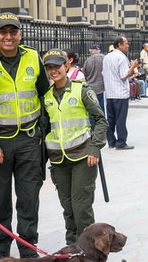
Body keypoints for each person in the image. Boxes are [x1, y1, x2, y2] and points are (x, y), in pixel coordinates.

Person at [0, 12, 49, 262]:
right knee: (1, 200)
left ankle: (28, 247)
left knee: (29, 197)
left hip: (30, 141)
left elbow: (44, 96)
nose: (8, 37)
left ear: (20, 34)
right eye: (2, 32)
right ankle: (1, 246)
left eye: (13, 31)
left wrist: (42, 132)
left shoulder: (33, 57)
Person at [43, 49, 108, 244]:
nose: (54, 71)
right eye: (49, 68)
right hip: (58, 160)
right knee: (68, 208)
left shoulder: (82, 90)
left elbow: (101, 120)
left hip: (83, 157)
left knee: (82, 209)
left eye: (57, 66)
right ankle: (72, 247)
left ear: (66, 66)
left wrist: (95, 149)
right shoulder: (46, 96)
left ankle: (90, 251)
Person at [102, 36, 138, 150]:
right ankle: (121, 142)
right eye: (126, 43)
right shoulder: (121, 58)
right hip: (120, 93)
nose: (127, 45)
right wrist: (132, 68)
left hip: (110, 92)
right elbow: (123, 76)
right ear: (119, 45)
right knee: (120, 119)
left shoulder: (107, 57)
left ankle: (111, 141)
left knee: (111, 119)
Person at [82, 44, 105, 113]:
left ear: (91, 52)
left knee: (91, 109)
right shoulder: (104, 58)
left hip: (90, 87)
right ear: (98, 51)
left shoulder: (88, 60)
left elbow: (84, 73)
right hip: (102, 87)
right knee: (101, 109)